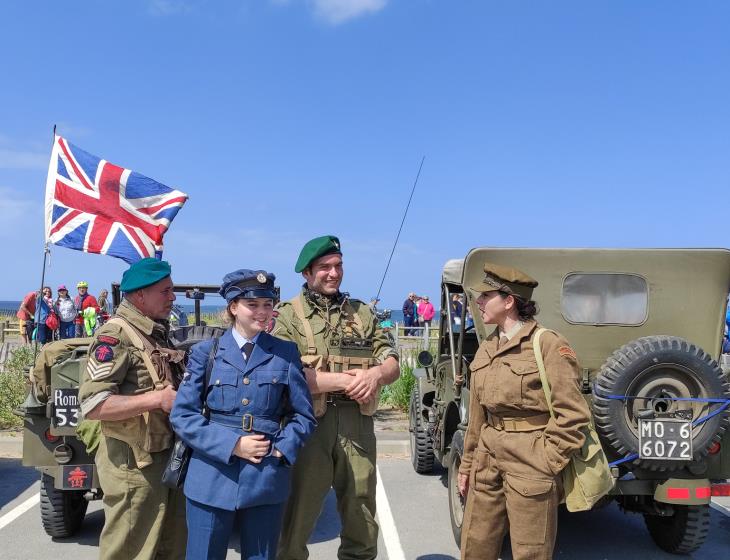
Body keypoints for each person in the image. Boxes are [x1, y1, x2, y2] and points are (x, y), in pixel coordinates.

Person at [171, 269, 316, 560]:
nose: (262, 312)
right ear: (233, 308)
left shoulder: (286, 353)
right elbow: (183, 415)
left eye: (267, 305)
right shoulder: (205, 352)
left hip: (264, 478)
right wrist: (233, 445)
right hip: (210, 476)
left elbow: (304, 416)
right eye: (253, 305)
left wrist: (281, 450)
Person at [274, 235, 400, 560]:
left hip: (356, 426)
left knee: (362, 516)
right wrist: (345, 380)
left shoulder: (361, 314)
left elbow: (391, 360)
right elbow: (283, 374)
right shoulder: (287, 316)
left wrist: (375, 375)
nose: (333, 273)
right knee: (297, 519)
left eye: (338, 266)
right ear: (306, 273)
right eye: (325, 267)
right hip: (308, 429)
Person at [457, 263, 591, 560]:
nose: (478, 301)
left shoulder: (548, 345)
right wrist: (467, 466)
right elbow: (478, 416)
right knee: (475, 544)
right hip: (487, 457)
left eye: (486, 295)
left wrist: (546, 460)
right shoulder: (487, 347)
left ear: (508, 301)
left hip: (530, 457)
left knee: (531, 551)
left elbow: (572, 414)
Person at [78, 258, 187, 560]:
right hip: (133, 467)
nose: (173, 297)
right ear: (140, 295)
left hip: (163, 458)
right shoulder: (115, 337)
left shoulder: (154, 331)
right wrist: (157, 400)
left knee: (170, 546)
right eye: (165, 291)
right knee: (130, 551)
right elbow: (93, 404)